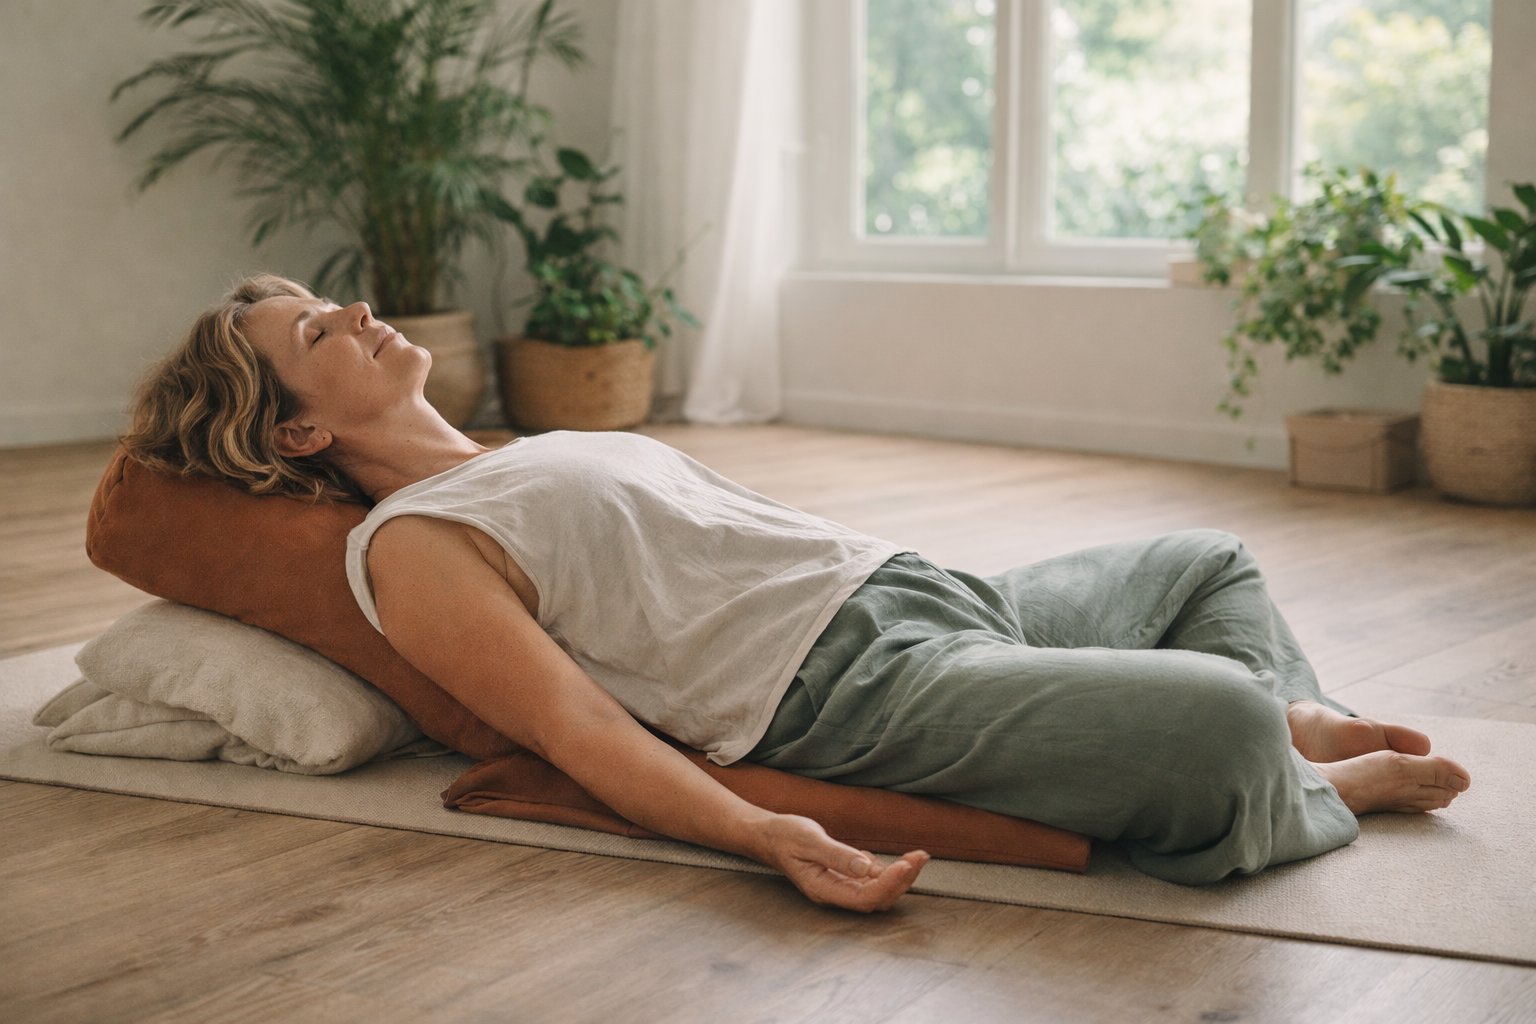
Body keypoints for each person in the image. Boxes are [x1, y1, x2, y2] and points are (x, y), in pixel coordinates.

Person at [124, 276, 1471, 912]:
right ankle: (1296, 772)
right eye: (314, 333)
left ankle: (1295, 732)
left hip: (927, 594)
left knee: (1207, 561)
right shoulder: (410, 546)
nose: (352, 308)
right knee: (1216, 716)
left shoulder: (518, 449)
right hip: (853, 692)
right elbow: (582, 735)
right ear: (297, 434)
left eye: (326, 298)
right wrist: (764, 835)